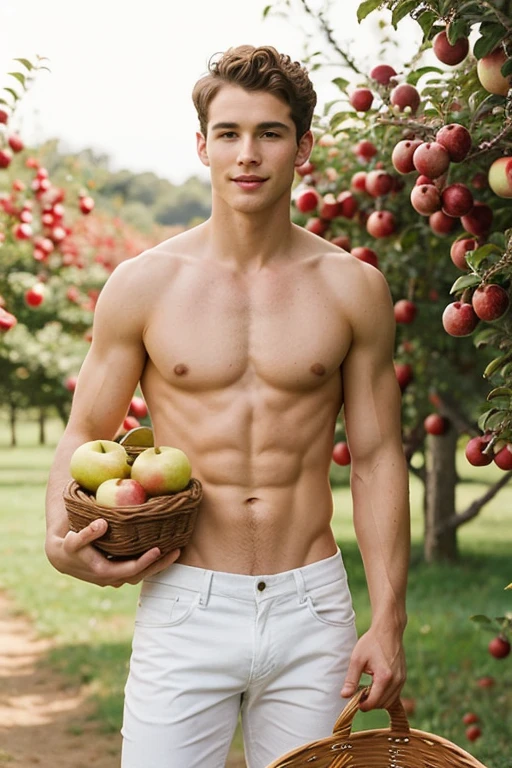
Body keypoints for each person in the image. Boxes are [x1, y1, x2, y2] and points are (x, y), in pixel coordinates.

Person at [45, 45, 410, 768]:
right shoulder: (143, 284)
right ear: (202, 145)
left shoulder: (351, 288)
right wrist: (61, 538)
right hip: (186, 602)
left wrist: (389, 617)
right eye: (230, 133)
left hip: (314, 607)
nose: (249, 154)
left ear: (303, 147)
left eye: (271, 133)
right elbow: (88, 429)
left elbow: (375, 457)